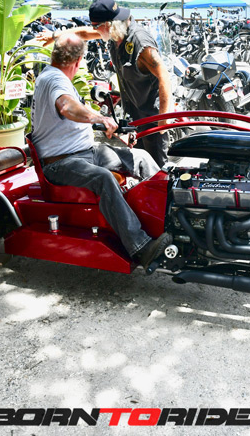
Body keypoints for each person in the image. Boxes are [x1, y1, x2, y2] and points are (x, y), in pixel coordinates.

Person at [32, 34, 172, 269]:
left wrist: (115, 130)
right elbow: (67, 107)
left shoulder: (55, 76)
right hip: (60, 163)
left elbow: (78, 114)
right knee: (104, 178)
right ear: (78, 61)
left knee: (140, 157)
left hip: (86, 152)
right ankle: (141, 247)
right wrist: (99, 118)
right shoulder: (53, 79)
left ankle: (169, 220)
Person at [38, 0, 173, 168]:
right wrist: (54, 36)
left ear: (109, 24)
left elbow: (164, 75)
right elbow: (84, 33)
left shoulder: (139, 41)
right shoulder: (116, 34)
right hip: (134, 115)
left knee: (157, 168)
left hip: (151, 116)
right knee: (139, 164)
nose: (94, 30)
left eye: (96, 26)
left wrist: (163, 118)